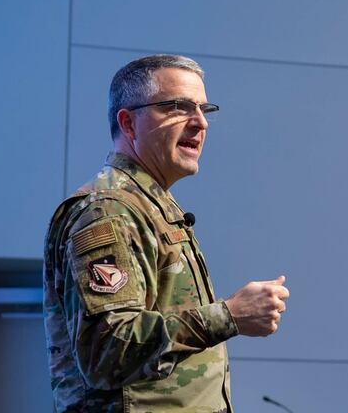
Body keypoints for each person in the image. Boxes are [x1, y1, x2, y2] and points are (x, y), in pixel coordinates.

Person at [43, 54, 289, 412]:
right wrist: (229, 315)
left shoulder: (149, 206)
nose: (200, 122)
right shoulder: (108, 210)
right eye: (178, 107)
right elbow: (108, 352)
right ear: (129, 123)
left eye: (205, 109)